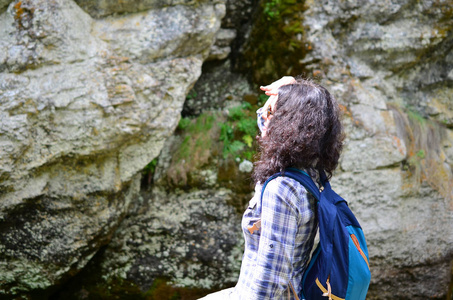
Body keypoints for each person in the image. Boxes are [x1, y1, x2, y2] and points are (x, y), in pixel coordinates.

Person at [199, 76, 344, 300]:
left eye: (271, 115)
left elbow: (270, 283)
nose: (264, 121)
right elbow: (314, 109)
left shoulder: (282, 189)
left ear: (288, 125)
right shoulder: (310, 174)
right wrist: (291, 85)